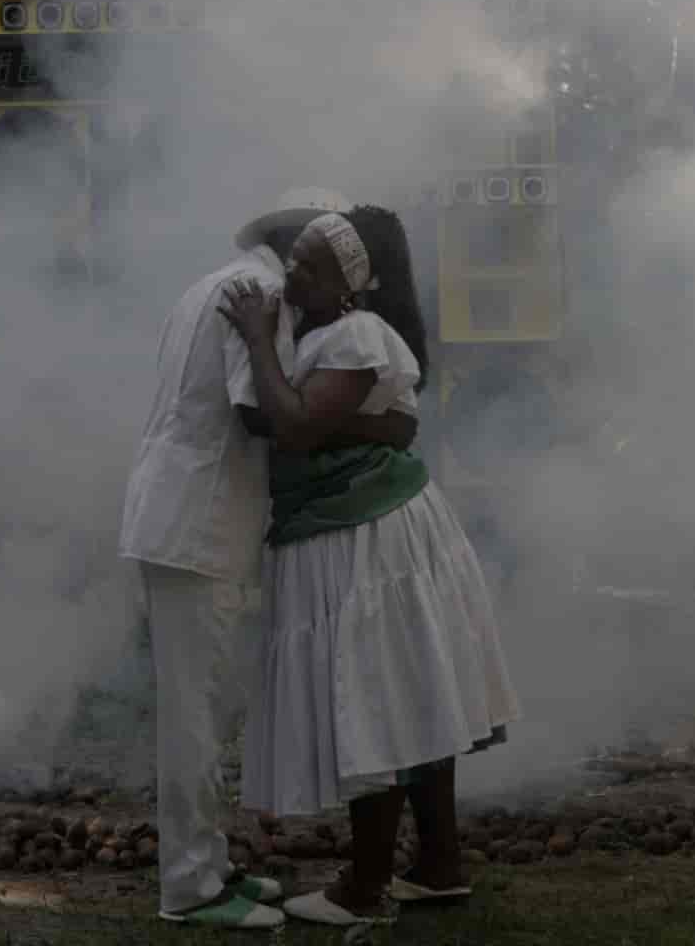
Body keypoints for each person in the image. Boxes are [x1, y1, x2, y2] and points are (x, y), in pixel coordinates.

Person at [221, 207, 518, 929]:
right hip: (367, 529)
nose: (292, 270)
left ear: (349, 287)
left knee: (378, 702)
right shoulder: (333, 333)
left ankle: (364, 885)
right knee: (408, 697)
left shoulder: (352, 333)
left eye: (310, 265)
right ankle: (438, 866)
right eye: (294, 258)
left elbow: (291, 422)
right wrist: (357, 420)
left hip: (366, 538)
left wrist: (258, 339)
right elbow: (303, 417)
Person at [118, 188, 351, 930]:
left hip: (182, 516)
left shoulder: (209, 283)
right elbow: (261, 412)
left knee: (209, 708)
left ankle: (212, 868)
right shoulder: (262, 295)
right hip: (198, 525)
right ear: (297, 248)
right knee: (194, 717)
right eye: (319, 255)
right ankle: (188, 888)